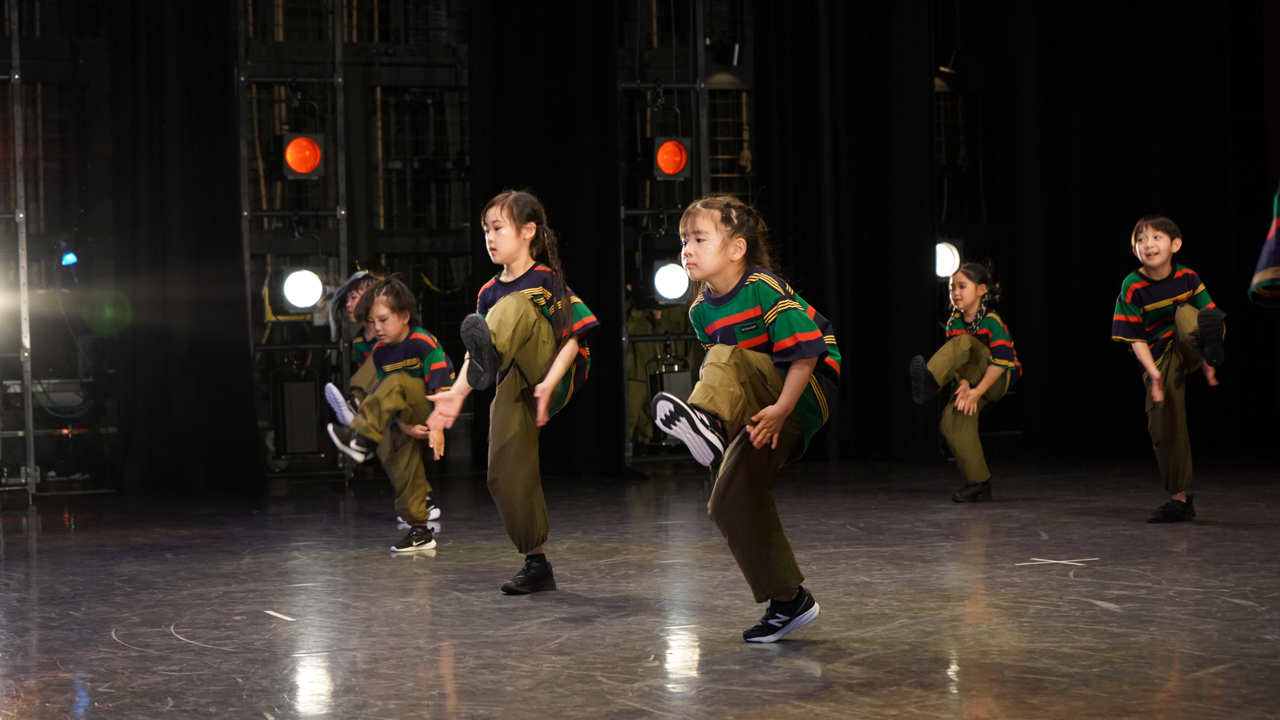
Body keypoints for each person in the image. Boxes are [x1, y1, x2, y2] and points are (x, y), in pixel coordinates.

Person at [649, 195, 840, 643]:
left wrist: (782, 409)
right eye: (683, 241)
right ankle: (788, 601)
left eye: (699, 239)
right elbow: (736, 382)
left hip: (805, 389)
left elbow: (807, 354)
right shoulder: (701, 311)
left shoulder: (763, 288)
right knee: (728, 498)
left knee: (724, 356)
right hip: (760, 401)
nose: (687, 250)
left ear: (736, 248)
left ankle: (707, 422)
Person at [426, 190, 599, 594]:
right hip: (513, 375)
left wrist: (549, 384)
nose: (489, 237)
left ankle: (496, 355)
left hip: (556, 366)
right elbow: (475, 353)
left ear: (527, 231)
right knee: (504, 472)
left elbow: (575, 336)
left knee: (515, 306)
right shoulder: (488, 292)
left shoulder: (544, 280)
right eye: (485, 230)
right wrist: (456, 394)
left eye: (498, 228)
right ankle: (536, 563)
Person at [326, 276, 455, 552]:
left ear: (405, 316)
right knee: (401, 458)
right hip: (406, 413)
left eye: (384, 320)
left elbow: (442, 387)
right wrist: (406, 427)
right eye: (372, 322)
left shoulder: (422, 342)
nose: (377, 328)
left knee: (396, 381)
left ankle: (361, 438)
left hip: (434, 407)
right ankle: (420, 530)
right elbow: (387, 397)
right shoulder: (380, 353)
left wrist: (437, 428)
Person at [1111, 215, 1225, 523]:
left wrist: (1208, 365)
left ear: (1175, 245)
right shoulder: (1132, 285)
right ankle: (1180, 501)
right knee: (1163, 424)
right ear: (1134, 250)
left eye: (1156, 238)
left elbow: (1212, 316)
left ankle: (1210, 348)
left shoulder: (1187, 277)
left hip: (1192, 341)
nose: (1148, 244)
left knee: (1189, 313)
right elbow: (1135, 339)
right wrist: (1155, 375)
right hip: (1160, 357)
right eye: (1141, 240)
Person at [908, 263, 1022, 502]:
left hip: (998, 377)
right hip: (972, 380)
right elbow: (957, 362)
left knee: (964, 343)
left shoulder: (991, 320)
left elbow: (1002, 361)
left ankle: (931, 381)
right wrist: (964, 385)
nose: (955, 292)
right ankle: (979, 483)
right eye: (952, 288)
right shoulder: (954, 323)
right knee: (952, 422)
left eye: (962, 286)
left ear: (981, 290)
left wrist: (978, 391)